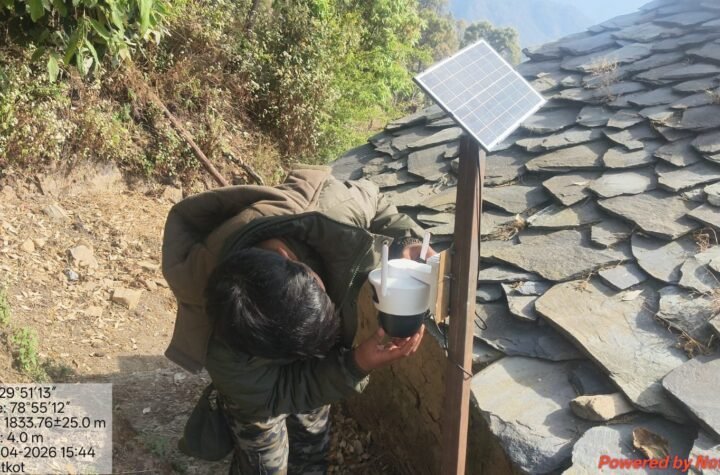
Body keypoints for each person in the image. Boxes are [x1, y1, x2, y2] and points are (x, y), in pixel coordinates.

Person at [162, 164, 431, 474]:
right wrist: (356, 364)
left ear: (286, 255)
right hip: (255, 389)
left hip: (297, 350)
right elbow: (277, 393)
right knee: (264, 465)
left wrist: (407, 241)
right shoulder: (222, 349)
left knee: (311, 450)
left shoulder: (335, 209)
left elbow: (377, 202)